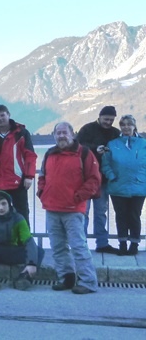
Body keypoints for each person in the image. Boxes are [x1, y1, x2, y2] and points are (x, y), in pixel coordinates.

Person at [38, 122, 100, 294]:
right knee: (58, 247)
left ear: (73, 134)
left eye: (65, 132)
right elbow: (42, 175)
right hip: (52, 208)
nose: (61, 136)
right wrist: (42, 192)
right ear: (54, 135)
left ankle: (88, 282)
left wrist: (79, 197)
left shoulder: (85, 153)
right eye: (58, 133)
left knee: (78, 246)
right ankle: (66, 278)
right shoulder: (50, 153)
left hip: (73, 210)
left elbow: (94, 179)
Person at [76, 105, 121, 254]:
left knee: (101, 213)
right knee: (84, 212)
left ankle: (102, 243)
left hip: (104, 180)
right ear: (100, 116)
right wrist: (96, 148)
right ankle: (81, 244)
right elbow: (77, 146)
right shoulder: (87, 129)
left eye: (111, 120)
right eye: (106, 119)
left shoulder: (116, 133)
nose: (108, 122)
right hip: (86, 179)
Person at [0, 104, 37, 225]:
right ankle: (3, 242)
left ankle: (24, 242)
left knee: (22, 216)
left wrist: (29, 176)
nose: (0, 118)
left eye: (2, 115)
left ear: (9, 115)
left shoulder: (21, 133)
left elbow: (30, 156)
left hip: (18, 182)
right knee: (0, 217)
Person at [101, 115, 146, 255]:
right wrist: (112, 176)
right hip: (118, 186)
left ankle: (134, 245)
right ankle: (122, 244)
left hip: (138, 187)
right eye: (123, 124)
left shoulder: (143, 144)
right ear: (120, 127)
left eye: (129, 124)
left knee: (134, 215)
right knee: (120, 216)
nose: (126, 127)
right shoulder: (112, 144)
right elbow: (105, 163)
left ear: (134, 126)